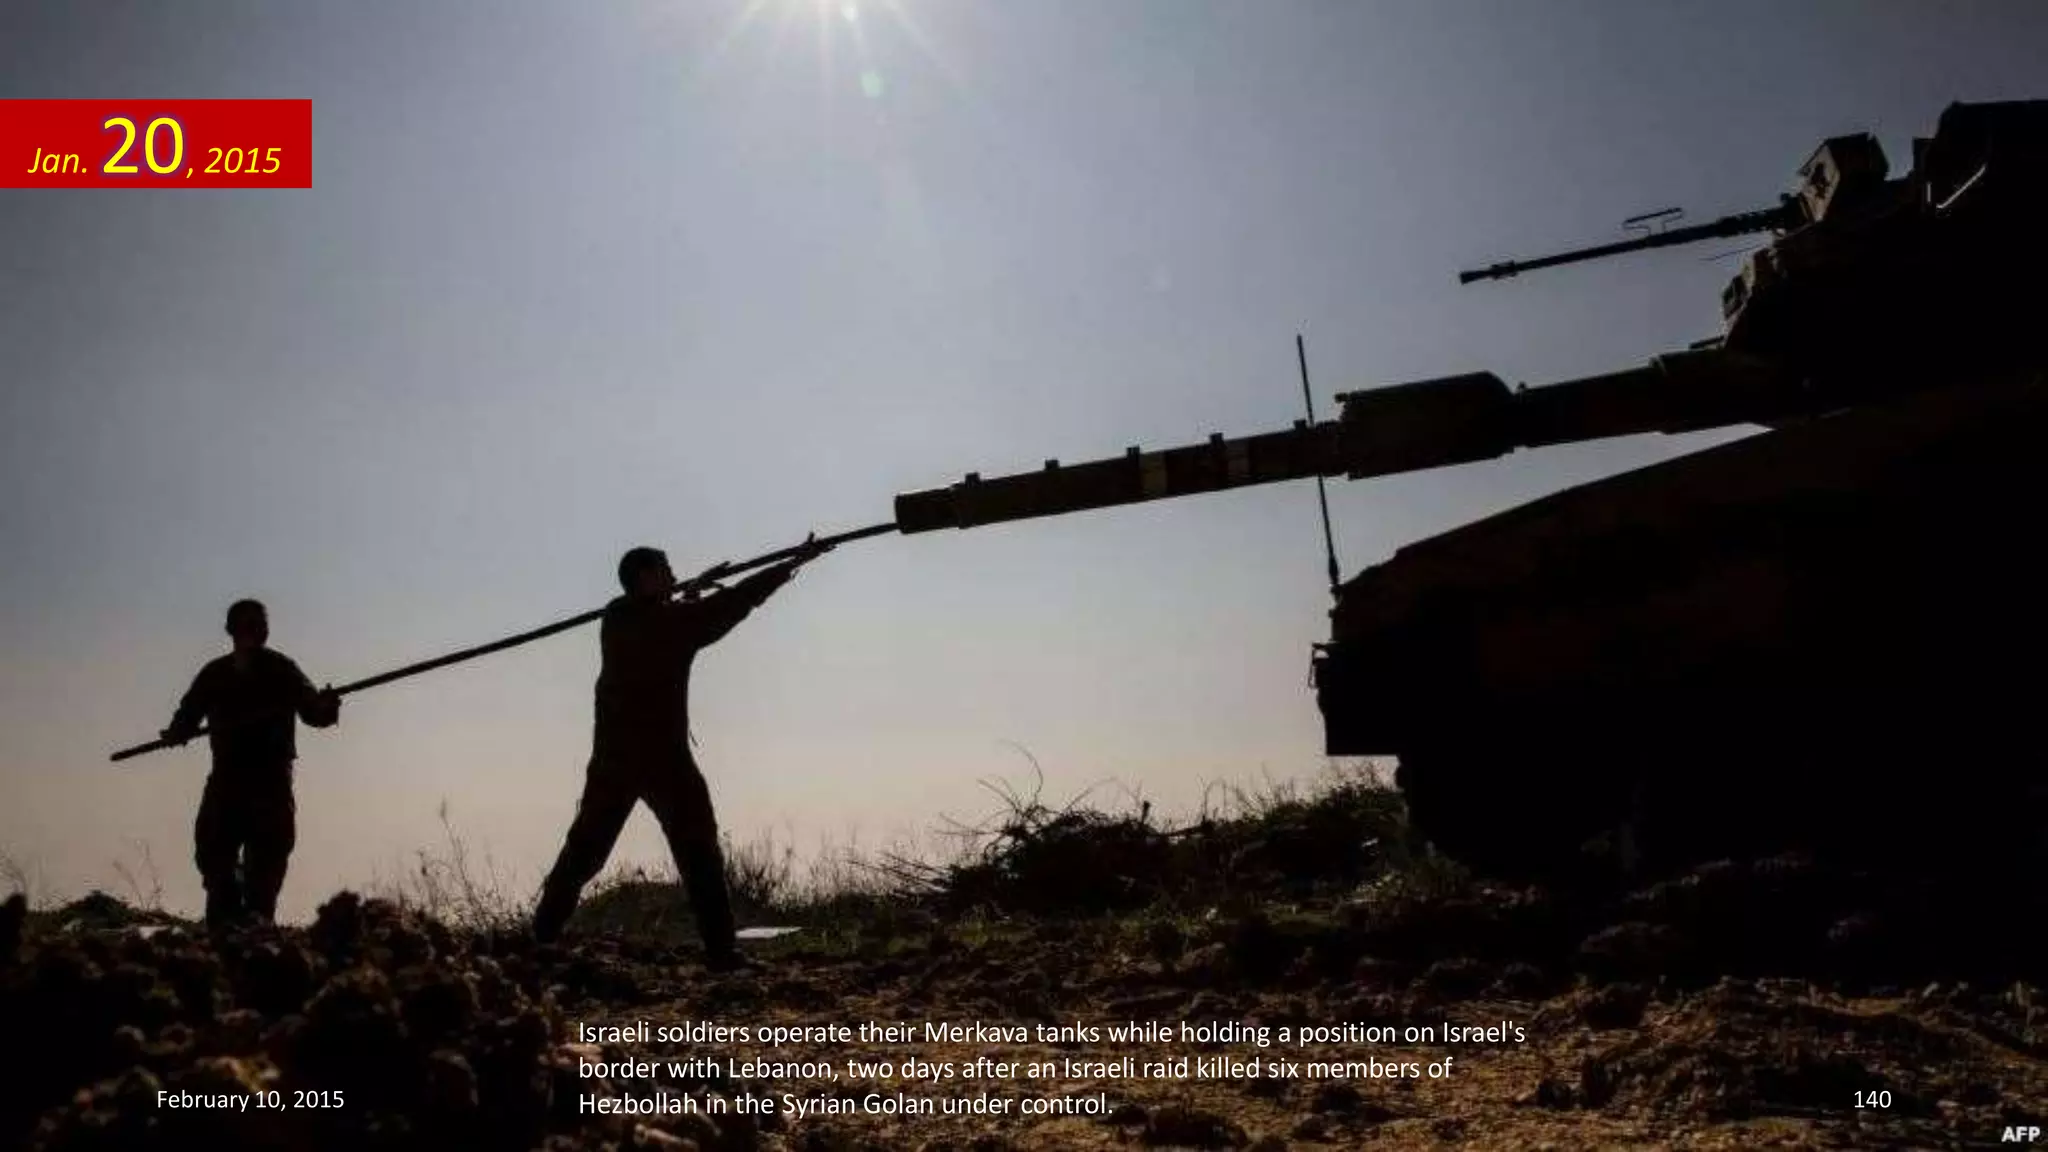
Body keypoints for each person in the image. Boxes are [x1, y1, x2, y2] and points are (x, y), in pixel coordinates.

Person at [531, 545, 815, 967]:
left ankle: (540, 937)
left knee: (584, 850)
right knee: (698, 850)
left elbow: (669, 618)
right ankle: (720, 950)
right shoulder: (669, 624)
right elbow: (730, 605)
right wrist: (786, 568)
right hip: (662, 760)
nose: (672, 574)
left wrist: (690, 592)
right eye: (665, 570)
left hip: (614, 760)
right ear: (645, 577)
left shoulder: (616, 618)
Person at [160, 599, 341, 930]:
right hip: (227, 780)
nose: (254, 631)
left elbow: (313, 712)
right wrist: (176, 732)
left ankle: (257, 934)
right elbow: (189, 713)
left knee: (267, 867)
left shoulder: (282, 669)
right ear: (231, 630)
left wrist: (327, 706)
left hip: (270, 782)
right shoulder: (214, 674)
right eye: (247, 624)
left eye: (259, 624)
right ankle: (223, 925)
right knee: (214, 859)